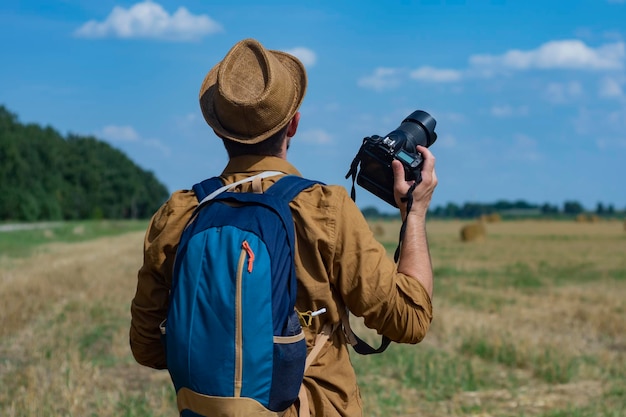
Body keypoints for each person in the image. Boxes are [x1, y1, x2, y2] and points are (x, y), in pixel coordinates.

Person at [130, 38, 437, 417]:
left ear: (218, 131)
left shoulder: (178, 213)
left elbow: (146, 345)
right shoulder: (324, 208)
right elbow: (410, 319)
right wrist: (415, 213)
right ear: (293, 124)